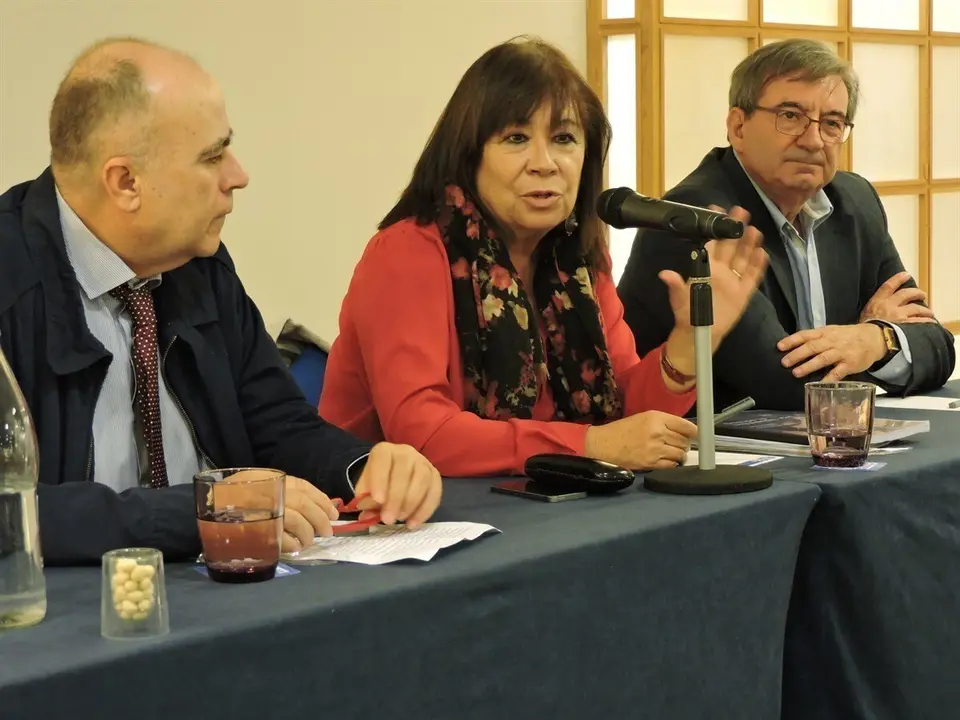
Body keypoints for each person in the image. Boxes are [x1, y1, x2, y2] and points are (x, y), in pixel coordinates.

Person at [0, 38, 442, 565]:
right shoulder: (11, 276)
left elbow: (276, 422)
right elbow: (10, 509)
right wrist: (197, 512)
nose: (238, 176)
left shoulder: (197, 264)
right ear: (125, 182)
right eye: (212, 156)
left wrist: (365, 467)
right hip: (65, 605)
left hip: (219, 590)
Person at [319, 37, 766, 477]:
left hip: (541, 500)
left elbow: (624, 414)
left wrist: (690, 342)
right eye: (516, 138)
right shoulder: (408, 252)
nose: (545, 162)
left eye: (564, 139)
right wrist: (588, 445)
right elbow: (421, 434)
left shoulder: (576, 259)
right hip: (390, 512)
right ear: (468, 154)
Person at [618, 39, 956, 411]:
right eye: (791, 116)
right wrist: (869, 340)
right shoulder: (698, 218)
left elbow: (938, 347)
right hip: (704, 441)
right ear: (738, 127)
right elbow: (787, 386)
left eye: (832, 123)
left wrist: (874, 339)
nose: (813, 141)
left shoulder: (855, 200)